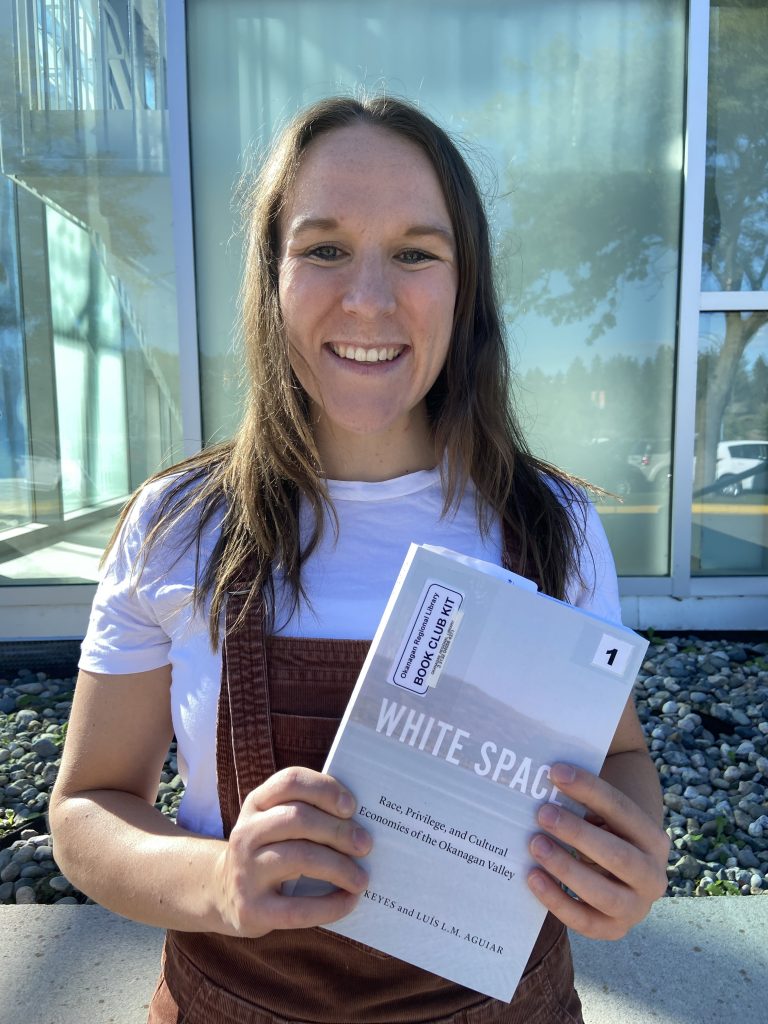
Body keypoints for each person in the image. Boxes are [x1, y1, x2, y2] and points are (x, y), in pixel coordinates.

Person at [49, 95, 669, 1024]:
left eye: (417, 253)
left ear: (466, 290)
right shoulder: (178, 527)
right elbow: (88, 807)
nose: (368, 299)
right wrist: (220, 880)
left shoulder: (552, 525)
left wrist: (629, 852)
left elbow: (618, 759)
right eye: (325, 248)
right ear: (270, 278)